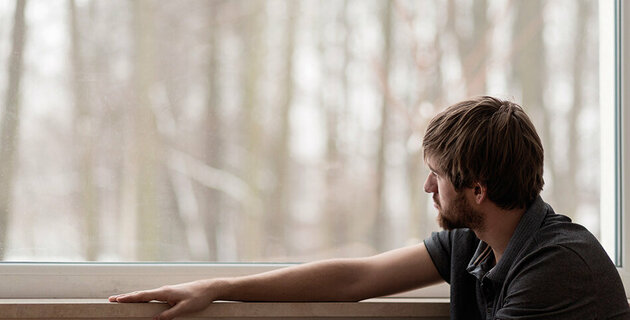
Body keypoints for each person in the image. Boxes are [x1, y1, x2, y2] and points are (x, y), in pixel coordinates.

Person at [109, 96, 630, 320]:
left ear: (478, 190)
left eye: (439, 174)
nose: (428, 186)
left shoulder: (559, 268)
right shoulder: (477, 243)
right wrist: (218, 287)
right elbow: (354, 279)